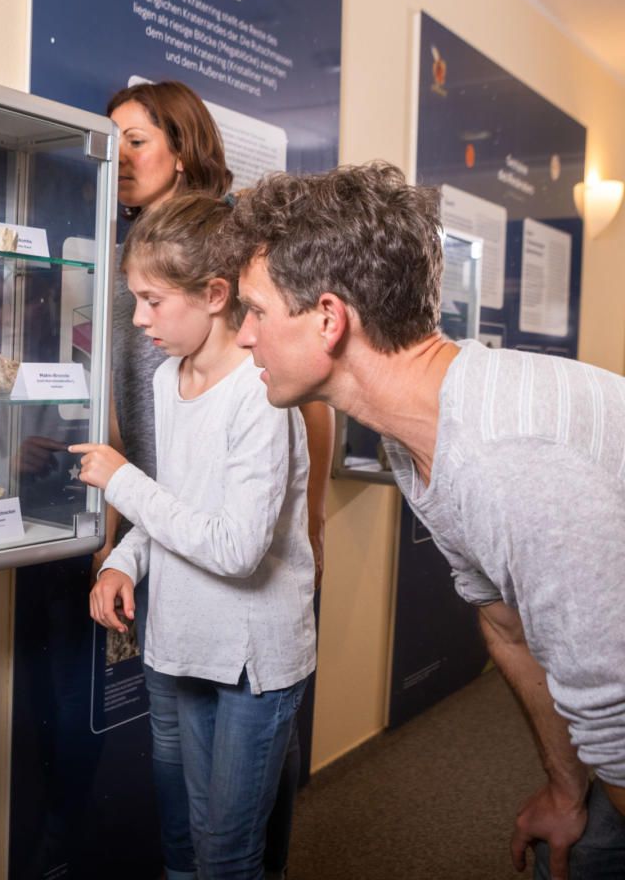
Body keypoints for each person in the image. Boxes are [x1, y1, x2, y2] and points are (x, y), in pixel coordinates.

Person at [226, 161, 625, 880]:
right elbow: (506, 625)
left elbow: (619, 723)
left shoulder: (509, 462)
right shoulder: (422, 433)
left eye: (254, 310)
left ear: (328, 318)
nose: (243, 335)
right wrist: (568, 792)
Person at [105, 80, 331, 880]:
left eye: (150, 302)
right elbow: (184, 493)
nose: (137, 321)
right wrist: (119, 559)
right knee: (187, 845)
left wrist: (122, 483)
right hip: (177, 635)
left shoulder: (261, 390)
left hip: (246, 647)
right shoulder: (172, 379)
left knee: (228, 852)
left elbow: (238, 544)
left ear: (214, 294)